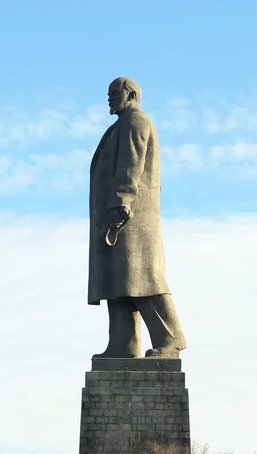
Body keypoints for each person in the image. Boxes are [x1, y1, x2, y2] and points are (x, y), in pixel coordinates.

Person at [88, 77, 187, 359]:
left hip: (130, 216)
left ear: (130, 94)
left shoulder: (135, 122)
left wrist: (121, 204)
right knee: (119, 282)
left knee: (143, 277)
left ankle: (171, 338)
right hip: (118, 215)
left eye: (114, 92)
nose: (109, 98)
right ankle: (123, 345)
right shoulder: (119, 125)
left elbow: (131, 165)